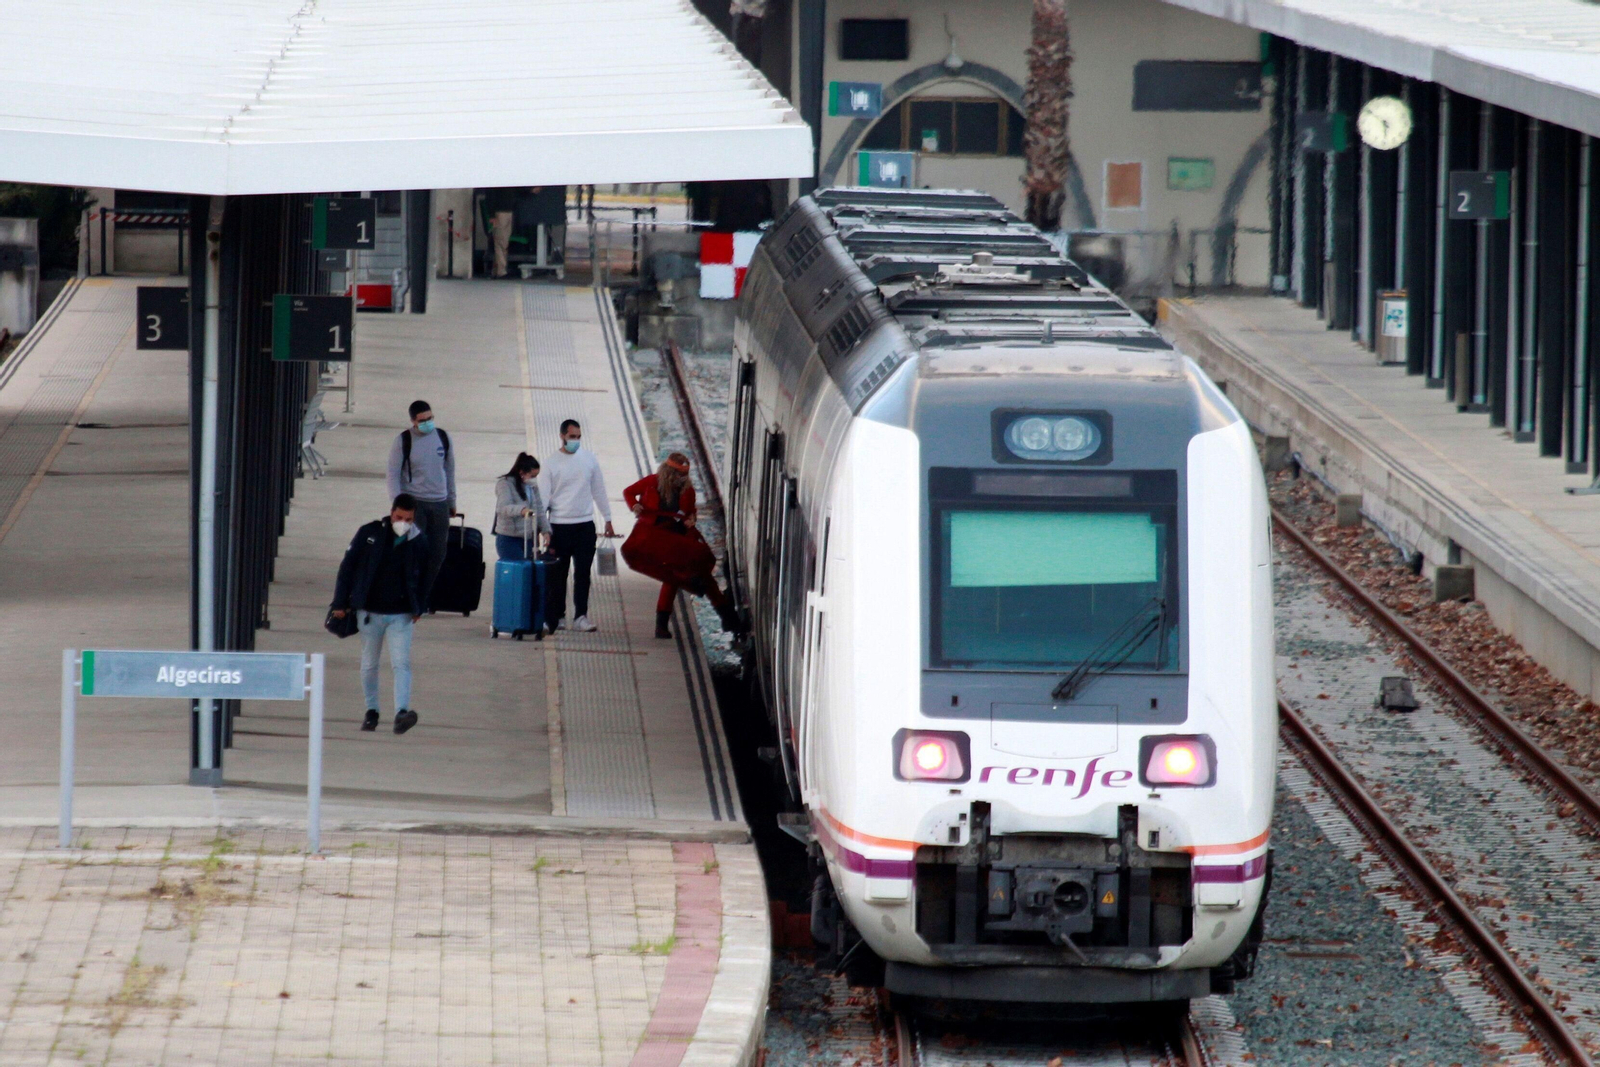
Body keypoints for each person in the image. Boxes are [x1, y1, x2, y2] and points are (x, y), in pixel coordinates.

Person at [330, 494, 426, 734]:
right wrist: (339, 603)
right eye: (399, 517)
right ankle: (371, 711)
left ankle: (401, 713)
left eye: (408, 519)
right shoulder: (369, 534)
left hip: (401, 615)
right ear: (391, 512)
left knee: (401, 663)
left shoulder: (418, 541)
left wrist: (420, 606)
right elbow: (348, 567)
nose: (403, 522)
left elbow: (425, 576)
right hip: (369, 613)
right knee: (369, 664)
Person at [623, 453, 741, 638]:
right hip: (654, 536)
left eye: (685, 474)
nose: (683, 478)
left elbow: (690, 511)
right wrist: (635, 506)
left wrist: (691, 519)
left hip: (677, 535)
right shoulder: (652, 482)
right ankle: (725, 616)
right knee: (674, 579)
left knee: (698, 575)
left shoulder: (688, 490)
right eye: (680, 474)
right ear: (669, 473)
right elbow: (629, 492)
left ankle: (727, 617)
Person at [540, 418, 615, 633]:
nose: (576, 440)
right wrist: (543, 528)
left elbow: (598, 490)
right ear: (562, 436)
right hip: (559, 526)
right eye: (572, 437)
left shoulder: (589, 460)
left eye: (579, 437)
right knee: (558, 575)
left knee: (583, 573)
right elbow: (543, 499)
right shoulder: (551, 463)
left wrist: (607, 517)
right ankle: (559, 615)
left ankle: (581, 615)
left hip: (584, 525)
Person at [386, 400, 456, 604]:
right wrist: (397, 504)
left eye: (430, 418)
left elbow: (450, 470)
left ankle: (422, 598)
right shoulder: (403, 441)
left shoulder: (443, 437)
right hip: (415, 504)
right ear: (413, 421)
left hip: (440, 503)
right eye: (422, 420)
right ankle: (405, 595)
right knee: (411, 552)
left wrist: (452, 500)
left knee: (437, 554)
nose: (427, 423)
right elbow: (392, 473)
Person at [494, 452, 551, 559]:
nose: (534, 479)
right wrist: (522, 510)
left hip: (527, 537)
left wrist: (545, 530)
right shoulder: (505, 484)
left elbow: (539, 509)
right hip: (509, 537)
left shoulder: (532, 487)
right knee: (518, 568)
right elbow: (503, 508)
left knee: (527, 569)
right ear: (522, 472)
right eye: (532, 476)